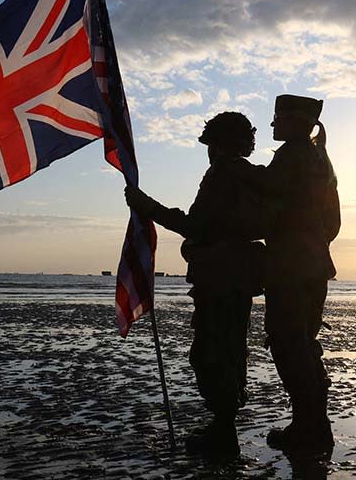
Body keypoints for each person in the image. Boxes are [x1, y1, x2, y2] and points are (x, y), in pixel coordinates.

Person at [124, 112, 266, 457]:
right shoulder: (246, 175)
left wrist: (147, 206)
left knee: (211, 354)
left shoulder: (223, 173)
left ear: (217, 145)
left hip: (220, 278)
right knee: (229, 350)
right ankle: (224, 428)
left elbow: (197, 226)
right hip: (233, 277)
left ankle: (224, 431)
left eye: (210, 144)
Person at [240, 94, 340, 456]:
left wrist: (232, 165)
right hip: (314, 266)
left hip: (291, 268)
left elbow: (266, 189)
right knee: (304, 346)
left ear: (296, 121)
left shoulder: (293, 154)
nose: (272, 125)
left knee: (288, 346)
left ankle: (307, 428)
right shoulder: (320, 160)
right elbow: (333, 223)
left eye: (277, 117)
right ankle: (315, 426)